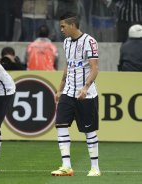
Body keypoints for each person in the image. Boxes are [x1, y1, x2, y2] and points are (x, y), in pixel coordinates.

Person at [51, 12, 100, 177]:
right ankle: (66, 166)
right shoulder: (66, 43)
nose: (62, 29)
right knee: (60, 124)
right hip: (69, 91)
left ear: (72, 25)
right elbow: (68, 65)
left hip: (86, 94)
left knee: (89, 130)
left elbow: (94, 68)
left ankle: (95, 167)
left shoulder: (89, 41)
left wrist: (86, 87)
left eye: (63, 26)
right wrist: (60, 88)